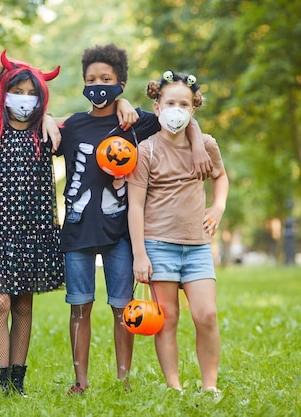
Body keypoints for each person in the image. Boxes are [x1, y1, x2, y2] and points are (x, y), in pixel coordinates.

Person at [56, 44, 213, 395]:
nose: (98, 84)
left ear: (121, 83)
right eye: (91, 79)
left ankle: (122, 380)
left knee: (122, 308)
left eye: (106, 79)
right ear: (83, 83)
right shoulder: (74, 126)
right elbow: (43, 127)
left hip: (119, 233)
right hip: (78, 231)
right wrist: (50, 125)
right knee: (79, 307)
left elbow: (178, 111)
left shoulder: (136, 122)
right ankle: (80, 382)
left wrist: (199, 142)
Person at [127, 70, 228, 396]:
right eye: (171, 102)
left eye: (184, 104)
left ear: (193, 109)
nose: (177, 109)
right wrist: (140, 254)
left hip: (197, 246)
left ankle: (209, 386)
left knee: (207, 315)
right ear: (157, 106)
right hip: (159, 245)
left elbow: (221, 177)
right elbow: (136, 206)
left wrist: (218, 207)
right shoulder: (146, 151)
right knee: (167, 318)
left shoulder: (206, 144)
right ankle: (174, 386)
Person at [0, 51, 64, 397]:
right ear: (4, 92)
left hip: (35, 231)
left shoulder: (48, 132)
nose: (25, 100)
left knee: (23, 304)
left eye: (32, 94)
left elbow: (93, 122)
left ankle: (16, 381)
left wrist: (50, 118)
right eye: (19, 92)